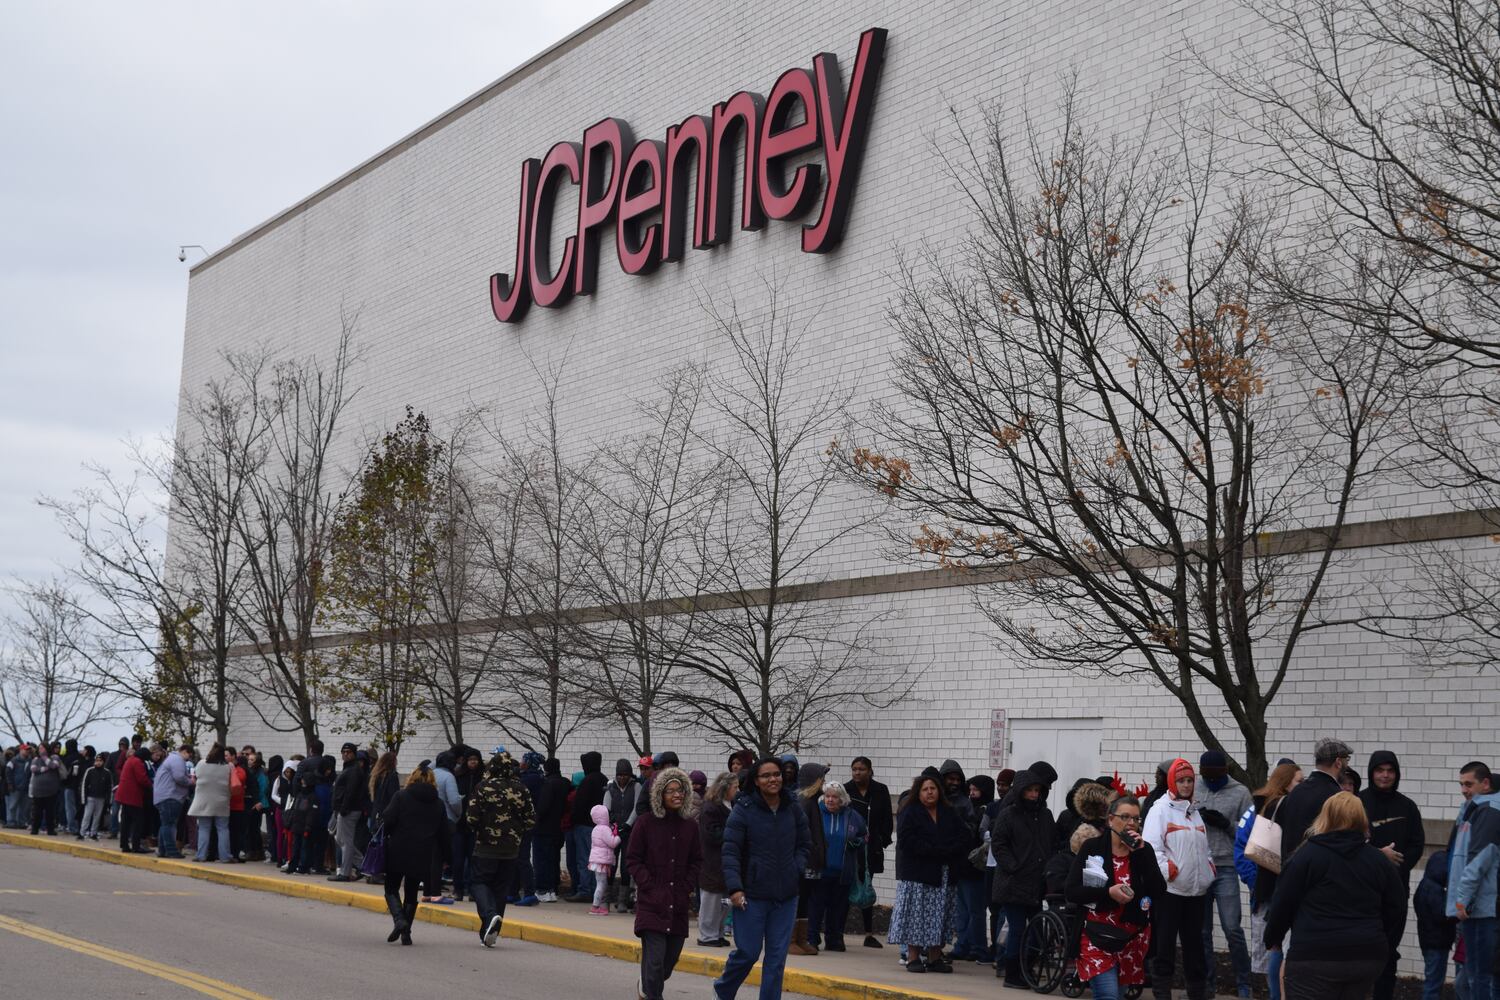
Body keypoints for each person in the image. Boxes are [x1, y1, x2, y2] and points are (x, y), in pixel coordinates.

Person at [1263, 791, 1405, 999]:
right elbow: (1397, 907)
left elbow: (1283, 902)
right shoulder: (1379, 861)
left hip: (1314, 956)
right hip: (1366, 956)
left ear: (1325, 817)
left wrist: (1273, 938)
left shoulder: (1306, 857)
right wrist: (1384, 943)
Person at [713, 756, 811, 1000]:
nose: (773, 779)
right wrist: (735, 888)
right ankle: (723, 990)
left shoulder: (793, 807)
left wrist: (795, 867)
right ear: (756, 781)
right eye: (766, 775)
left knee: (776, 959)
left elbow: (805, 844)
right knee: (748, 952)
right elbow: (730, 852)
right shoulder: (743, 810)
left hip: (786, 896)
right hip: (752, 894)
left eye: (776, 774)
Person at [1067, 796, 1165, 999]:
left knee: (1118, 996)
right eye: (1125, 817)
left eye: (1136, 819)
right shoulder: (1092, 847)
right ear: (1110, 820)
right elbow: (1072, 890)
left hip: (1130, 940)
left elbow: (1158, 891)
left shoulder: (1143, 850)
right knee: (1108, 995)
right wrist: (1108, 892)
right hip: (1096, 935)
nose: (1131, 823)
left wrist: (1140, 854)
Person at [626, 767, 702, 1000]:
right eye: (670, 790)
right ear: (660, 794)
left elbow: (696, 861)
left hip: (678, 902)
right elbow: (633, 859)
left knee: (668, 963)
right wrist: (648, 885)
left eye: (680, 790)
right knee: (656, 961)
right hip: (652, 902)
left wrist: (686, 886)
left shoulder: (690, 826)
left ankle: (647, 984)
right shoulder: (645, 823)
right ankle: (651, 993)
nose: (676, 794)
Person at [1142, 757, 1213, 1000]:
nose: (1186, 785)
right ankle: (1162, 994)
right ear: (1172, 781)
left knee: (1196, 948)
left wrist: (1208, 869)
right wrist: (1168, 872)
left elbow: (1205, 848)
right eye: (1181, 780)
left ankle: (1197, 994)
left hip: (1196, 892)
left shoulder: (1194, 812)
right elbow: (1151, 848)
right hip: (1170, 892)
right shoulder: (1159, 810)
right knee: (1165, 947)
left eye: (1190, 780)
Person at [1357, 749, 1425, 1000]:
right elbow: (1347, 841)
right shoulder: (1357, 802)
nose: (1385, 776)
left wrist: (1399, 866)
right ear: (1371, 772)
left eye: (1390, 771)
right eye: (1380, 770)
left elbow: (1417, 844)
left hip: (1396, 891)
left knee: (1388, 950)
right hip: (1362, 891)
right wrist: (1377, 857)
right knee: (1361, 951)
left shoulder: (1407, 806)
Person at [1233, 760, 1302, 1000]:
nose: (1303, 787)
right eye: (1299, 782)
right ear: (1284, 782)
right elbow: (1242, 850)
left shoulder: (1300, 809)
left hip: (1292, 891)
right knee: (1271, 951)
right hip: (1267, 894)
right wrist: (1257, 882)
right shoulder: (1257, 809)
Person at [889, 772, 967, 974]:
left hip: (943, 874)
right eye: (925, 789)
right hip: (918, 874)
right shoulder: (910, 811)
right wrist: (933, 851)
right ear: (919, 792)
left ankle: (935, 957)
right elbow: (907, 840)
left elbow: (963, 835)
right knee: (917, 916)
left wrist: (948, 851)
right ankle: (913, 957)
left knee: (940, 916)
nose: (930, 792)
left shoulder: (948, 812)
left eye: (933, 788)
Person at [1195, 750, 1253, 999]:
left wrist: (1226, 825)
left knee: (1232, 928)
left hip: (1227, 866)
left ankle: (1244, 983)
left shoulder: (1240, 792)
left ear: (1225, 772)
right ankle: (1207, 985)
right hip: (1200, 865)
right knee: (1202, 932)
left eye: (1215, 778)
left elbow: (1250, 834)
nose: (1211, 782)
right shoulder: (1195, 787)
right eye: (1207, 778)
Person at [465, 749, 535, 947]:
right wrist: (516, 832)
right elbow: (530, 819)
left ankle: (490, 916)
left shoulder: (483, 787)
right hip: (511, 848)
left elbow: (471, 817)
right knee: (500, 888)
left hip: (486, 846)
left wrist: (480, 831)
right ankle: (490, 931)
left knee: (479, 882)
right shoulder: (521, 788)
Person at [991, 768, 1054, 987]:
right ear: (1020, 791)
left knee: (1037, 929)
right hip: (1013, 882)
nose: (1034, 794)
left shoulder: (1045, 815)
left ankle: (1027, 967)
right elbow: (998, 844)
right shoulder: (1009, 814)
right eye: (1030, 790)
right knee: (1017, 928)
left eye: (1037, 790)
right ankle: (1012, 973)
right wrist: (1013, 866)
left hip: (1036, 881)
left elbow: (1050, 843)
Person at [382, 762, 451, 945]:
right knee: (411, 892)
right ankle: (406, 934)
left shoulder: (401, 796)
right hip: (423, 852)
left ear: (412, 778)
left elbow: (388, 820)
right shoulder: (438, 804)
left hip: (398, 847)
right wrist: (447, 857)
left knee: (391, 888)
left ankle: (400, 920)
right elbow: (444, 832)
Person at [1450, 760, 1500, 999]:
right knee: (1474, 978)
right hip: (1475, 909)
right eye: (1461, 784)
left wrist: (1462, 902)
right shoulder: (1476, 809)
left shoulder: (1489, 811)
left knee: (1478, 980)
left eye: (1469, 784)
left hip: (1478, 911)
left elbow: (1478, 861)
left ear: (1486, 783)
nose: (1464, 789)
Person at [804, 779, 865, 952]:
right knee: (816, 906)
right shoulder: (816, 813)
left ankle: (835, 939)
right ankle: (812, 938)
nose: (830, 800)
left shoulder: (851, 815)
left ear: (842, 799)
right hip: (820, 870)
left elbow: (864, 835)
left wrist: (858, 842)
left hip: (843, 870)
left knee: (839, 907)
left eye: (835, 797)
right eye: (827, 796)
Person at [846, 756, 893, 949]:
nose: (857, 772)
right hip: (850, 846)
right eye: (854, 769)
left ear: (870, 770)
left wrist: (882, 838)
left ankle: (868, 933)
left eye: (861, 769)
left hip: (871, 847)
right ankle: (836, 931)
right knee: (844, 887)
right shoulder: (846, 790)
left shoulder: (880, 790)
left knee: (867, 885)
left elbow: (887, 818)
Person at [1278, 738, 1349, 865]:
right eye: (1346, 760)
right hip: (1321, 875)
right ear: (1338, 762)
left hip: (1292, 870)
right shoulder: (1337, 796)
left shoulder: (1296, 791)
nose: (1347, 765)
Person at [698, 770, 737, 947]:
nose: (737, 790)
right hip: (712, 860)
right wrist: (733, 835)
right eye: (735, 787)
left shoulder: (732, 804)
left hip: (726, 860)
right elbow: (711, 835)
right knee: (711, 900)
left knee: (724, 901)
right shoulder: (711, 807)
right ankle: (707, 934)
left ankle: (718, 932)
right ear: (725, 787)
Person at [566, 752, 608, 903]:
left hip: (584, 825)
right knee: (596, 860)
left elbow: (579, 804)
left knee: (584, 859)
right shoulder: (603, 779)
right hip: (600, 826)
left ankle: (585, 890)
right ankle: (596, 889)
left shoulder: (587, 781)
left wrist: (574, 819)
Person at [1415, 850, 1456, 1000]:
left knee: (1432, 980)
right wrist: (1457, 915)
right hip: (1437, 943)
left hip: (1428, 941)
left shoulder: (1425, 885)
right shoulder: (1435, 890)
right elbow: (1442, 915)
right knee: (1433, 984)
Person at [329, 742, 369, 882]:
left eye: (349, 752)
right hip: (344, 809)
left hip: (349, 810)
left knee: (346, 841)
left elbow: (351, 792)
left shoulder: (354, 770)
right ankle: (365, 866)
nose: (345, 754)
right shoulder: (349, 769)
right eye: (343, 752)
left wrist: (344, 809)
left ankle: (345, 873)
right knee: (341, 839)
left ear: (354, 754)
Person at [534, 757, 570, 902]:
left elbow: (543, 807)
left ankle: (543, 890)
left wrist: (535, 820)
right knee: (554, 859)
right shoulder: (565, 783)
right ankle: (552, 889)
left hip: (544, 828)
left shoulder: (548, 784)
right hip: (559, 828)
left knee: (541, 860)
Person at [606, 758, 639, 912]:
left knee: (626, 866)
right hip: (614, 831)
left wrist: (628, 824)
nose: (622, 778)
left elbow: (637, 807)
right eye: (619, 775)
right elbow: (606, 808)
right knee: (611, 864)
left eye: (625, 775)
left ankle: (622, 900)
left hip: (629, 831)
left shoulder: (636, 786)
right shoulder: (610, 788)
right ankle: (606, 898)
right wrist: (612, 822)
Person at [188, 744, 232, 862]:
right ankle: (225, 857)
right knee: (222, 829)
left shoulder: (201, 764)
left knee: (203, 828)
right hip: (221, 801)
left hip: (203, 801)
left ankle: (201, 855)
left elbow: (195, 777)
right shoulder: (227, 766)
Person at [153, 744, 191, 858]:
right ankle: (171, 850)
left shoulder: (170, 759)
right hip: (170, 796)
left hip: (162, 796)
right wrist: (190, 782)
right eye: (189, 754)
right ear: (184, 751)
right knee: (169, 824)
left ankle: (162, 850)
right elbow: (179, 777)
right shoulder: (177, 760)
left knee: (164, 824)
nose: (188, 758)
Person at [114, 744, 152, 853]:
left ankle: (124, 844)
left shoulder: (130, 760)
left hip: (123, 795)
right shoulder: (138, 762)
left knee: (126, 822)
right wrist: (152, 785)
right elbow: (142, 779)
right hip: (133, 796)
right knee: (137, 822)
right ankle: (136, 846)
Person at [586, 802, 621, 914]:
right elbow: (612, 843)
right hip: (602, 860)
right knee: (601, 884)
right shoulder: (605, 829)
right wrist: (618, 837)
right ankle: (595, 907)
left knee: (599, 883)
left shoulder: (596, 828)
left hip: (596, 859)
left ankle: (597, 905)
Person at [26, 741, 63, 835]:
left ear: (47, 748)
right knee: (37, 811)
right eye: (39, 748)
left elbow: (53, 765)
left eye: (42, 748)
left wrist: (44, 757)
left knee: (50, 811)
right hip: (37, 790)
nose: (40, 750)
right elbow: (33, 769)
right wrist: (45, 768)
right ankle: (35, 829)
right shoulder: (35, 759)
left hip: (51, 790)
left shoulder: (55, 757)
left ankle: (50, 829)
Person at [80, 752, 112, 840]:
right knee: (87, 815)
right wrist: (83, 799)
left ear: (103, 762)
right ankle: (82, 833)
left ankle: (93, 833)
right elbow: (84, 785)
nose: (98, 762)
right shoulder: (90, 771)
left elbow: (109, 787)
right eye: (97, 760)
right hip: (90, 797)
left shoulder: (107, 773)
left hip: (101, 798)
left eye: (100, 761)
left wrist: (109, 800)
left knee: (97, 817)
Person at [60, 738, 84, 835]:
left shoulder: (67, 758)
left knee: (70, 807)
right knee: (78, 807)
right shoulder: (80, 757)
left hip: (69, 785)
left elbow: (64, 772)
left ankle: (72, 827)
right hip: (79, 786)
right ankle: (78, 826)